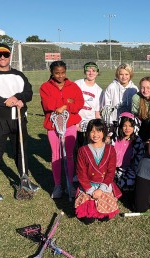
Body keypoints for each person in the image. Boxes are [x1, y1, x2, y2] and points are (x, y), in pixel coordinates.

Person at [0, 43, 38, 201]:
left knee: (21, 151)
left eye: (5, 54)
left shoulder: (19, 75)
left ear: (10, 55)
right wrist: (7, 100)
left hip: (18, 119)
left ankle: (25, 180)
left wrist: (19, 97)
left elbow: (28, 92)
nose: (3, 57)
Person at [40, 60, 84, 198]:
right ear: (51, 73)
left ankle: (70, 184)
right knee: (56, 155)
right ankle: (58, 185)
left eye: (63, 72)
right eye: (57, 73)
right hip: (53, 125)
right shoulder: (45, 87)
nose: (60, 76)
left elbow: (79, 104)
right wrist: (67, 101)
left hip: (69, 125)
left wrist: (66, 106)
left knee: (69, 155)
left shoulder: (73, 86)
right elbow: (48, 105)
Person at [74, 119, 121, 224]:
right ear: (88, 133)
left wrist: (101, 189)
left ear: (104, 132)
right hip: (88, 186)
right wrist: (90, 191)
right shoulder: (83, 150)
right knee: (88, 218)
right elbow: (81, 173)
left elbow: (111, 172)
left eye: (99, 131)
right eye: (92, 131)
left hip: (104, 185)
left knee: (105, 217)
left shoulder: (110, 150)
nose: (95, 135)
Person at [100, 63, 138, 138]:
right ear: (117, 75)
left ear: (130, 75)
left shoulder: (134, 89)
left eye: (126, 74)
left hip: (128, 123)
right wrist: (109, 124)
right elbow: (106, 107)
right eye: (121, 74)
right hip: (114, 121)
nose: (124, 77)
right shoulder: (111, 87)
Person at [113, 112, 145, 191]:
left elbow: (138, 160)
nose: (127, 129)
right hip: (113, 169)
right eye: (124, 126)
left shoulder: (137, 141)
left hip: (129, 169)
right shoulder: (114, 139)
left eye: (130, 126)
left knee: (129, 184)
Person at [74, 62, 102, 148]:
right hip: (76, 121)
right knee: (76, 146)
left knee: (89, 146)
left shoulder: (99, 90)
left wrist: (98, 125)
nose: (91, 73)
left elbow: (97, 112)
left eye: (93, 71)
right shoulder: (77, 84)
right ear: (84, 72)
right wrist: (75, 122)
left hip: (90, 122)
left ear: (97, 73)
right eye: (88, 71)